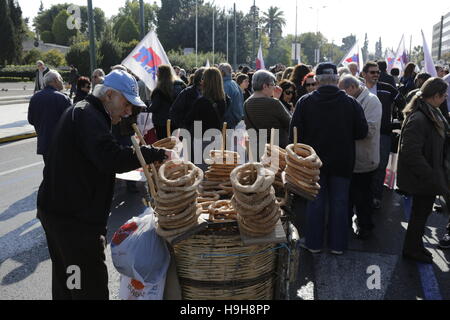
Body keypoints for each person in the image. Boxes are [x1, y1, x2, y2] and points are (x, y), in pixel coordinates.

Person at [36, 70, 171, 300]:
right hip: (73, 221)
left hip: (61, 214)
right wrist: (154, 153)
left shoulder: (85, 112)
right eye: (126, 104)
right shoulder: (88, 116)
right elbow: (111, 158)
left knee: (69, 279)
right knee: (87, 286)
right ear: (109, 95)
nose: (129, 111)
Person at [290, 63, 368, 255]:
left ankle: (314, 243)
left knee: (315, 202)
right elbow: (362, 132)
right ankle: (337, 245)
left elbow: (295, 133)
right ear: (337, 80)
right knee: (340, 203)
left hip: (313, 163)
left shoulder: (305, 102)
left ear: (316, 80)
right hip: (342, 161)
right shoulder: (351, 103)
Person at [397, 77, 449, 264]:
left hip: (428, 175)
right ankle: (411, 249)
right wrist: (430, 174)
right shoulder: (419, 117)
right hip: (423, 177)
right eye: (444, 95)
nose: (445, 98)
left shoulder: (430, 112)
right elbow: (410, 152)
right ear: (435, 96)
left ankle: (415, 246)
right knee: (419, 215)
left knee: (422, 213)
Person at [339, 75, 382, 239]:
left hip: (364, 158)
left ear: (351, 88)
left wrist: (343, 133)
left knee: (363, 197)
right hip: (349, 158)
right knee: (348, 196)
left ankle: (366, 227)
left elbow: (369, 130)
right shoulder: (350, 99)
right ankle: (346, 224)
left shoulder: (372, 101)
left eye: (342, 91)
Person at [361, 61, 405, 210]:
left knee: (380, 166)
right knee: (363, 166)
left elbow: (403, 104)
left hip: (383, 134)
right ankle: (362, 197)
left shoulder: (387, 89)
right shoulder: (358, 90)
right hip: (361, 135)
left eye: (377, 72)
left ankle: (375, 197)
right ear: (364, 74)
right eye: (372, 72)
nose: (376, 75)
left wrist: (397, 121)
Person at [185, 67, 230, 169]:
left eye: (203, 78)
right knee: (215, 172)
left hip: (202, 139)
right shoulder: (225, 100)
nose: (201, 81)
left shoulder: (201, 102)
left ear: (206, 81)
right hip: (218, 138)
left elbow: (188, 119)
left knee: (202, 172)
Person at [28, 70, 71, 165]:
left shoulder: (35, 98)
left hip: (44, 145)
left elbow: (31, 120)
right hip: (61, 146)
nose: (62, 82)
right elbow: (71, 122)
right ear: (55, 80)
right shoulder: (63, 98)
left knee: (49, 174)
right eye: (61, 79)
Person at [244, 70, 291, 157]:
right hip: (278, 149)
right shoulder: (274, 103)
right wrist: (277, 100)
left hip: (258, 150)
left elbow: (249, 128)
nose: (274, 87)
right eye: (273, 84)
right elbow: (290, 123)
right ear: (265, 86)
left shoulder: (247, 103)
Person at [148, 65, 181, 139]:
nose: (156, 74)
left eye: (157, 72)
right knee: (173, 143)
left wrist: (147, 108)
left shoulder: (159, 90)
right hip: (173, 121)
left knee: (163, 143)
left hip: (161, 122)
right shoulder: (177, 87)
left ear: (161, 74)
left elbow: (155, 107)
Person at [218, 63, 244, 129]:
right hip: (235, 120)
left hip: (228, 123)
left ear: (222, 72)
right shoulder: (234, 84)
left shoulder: (223, 86)